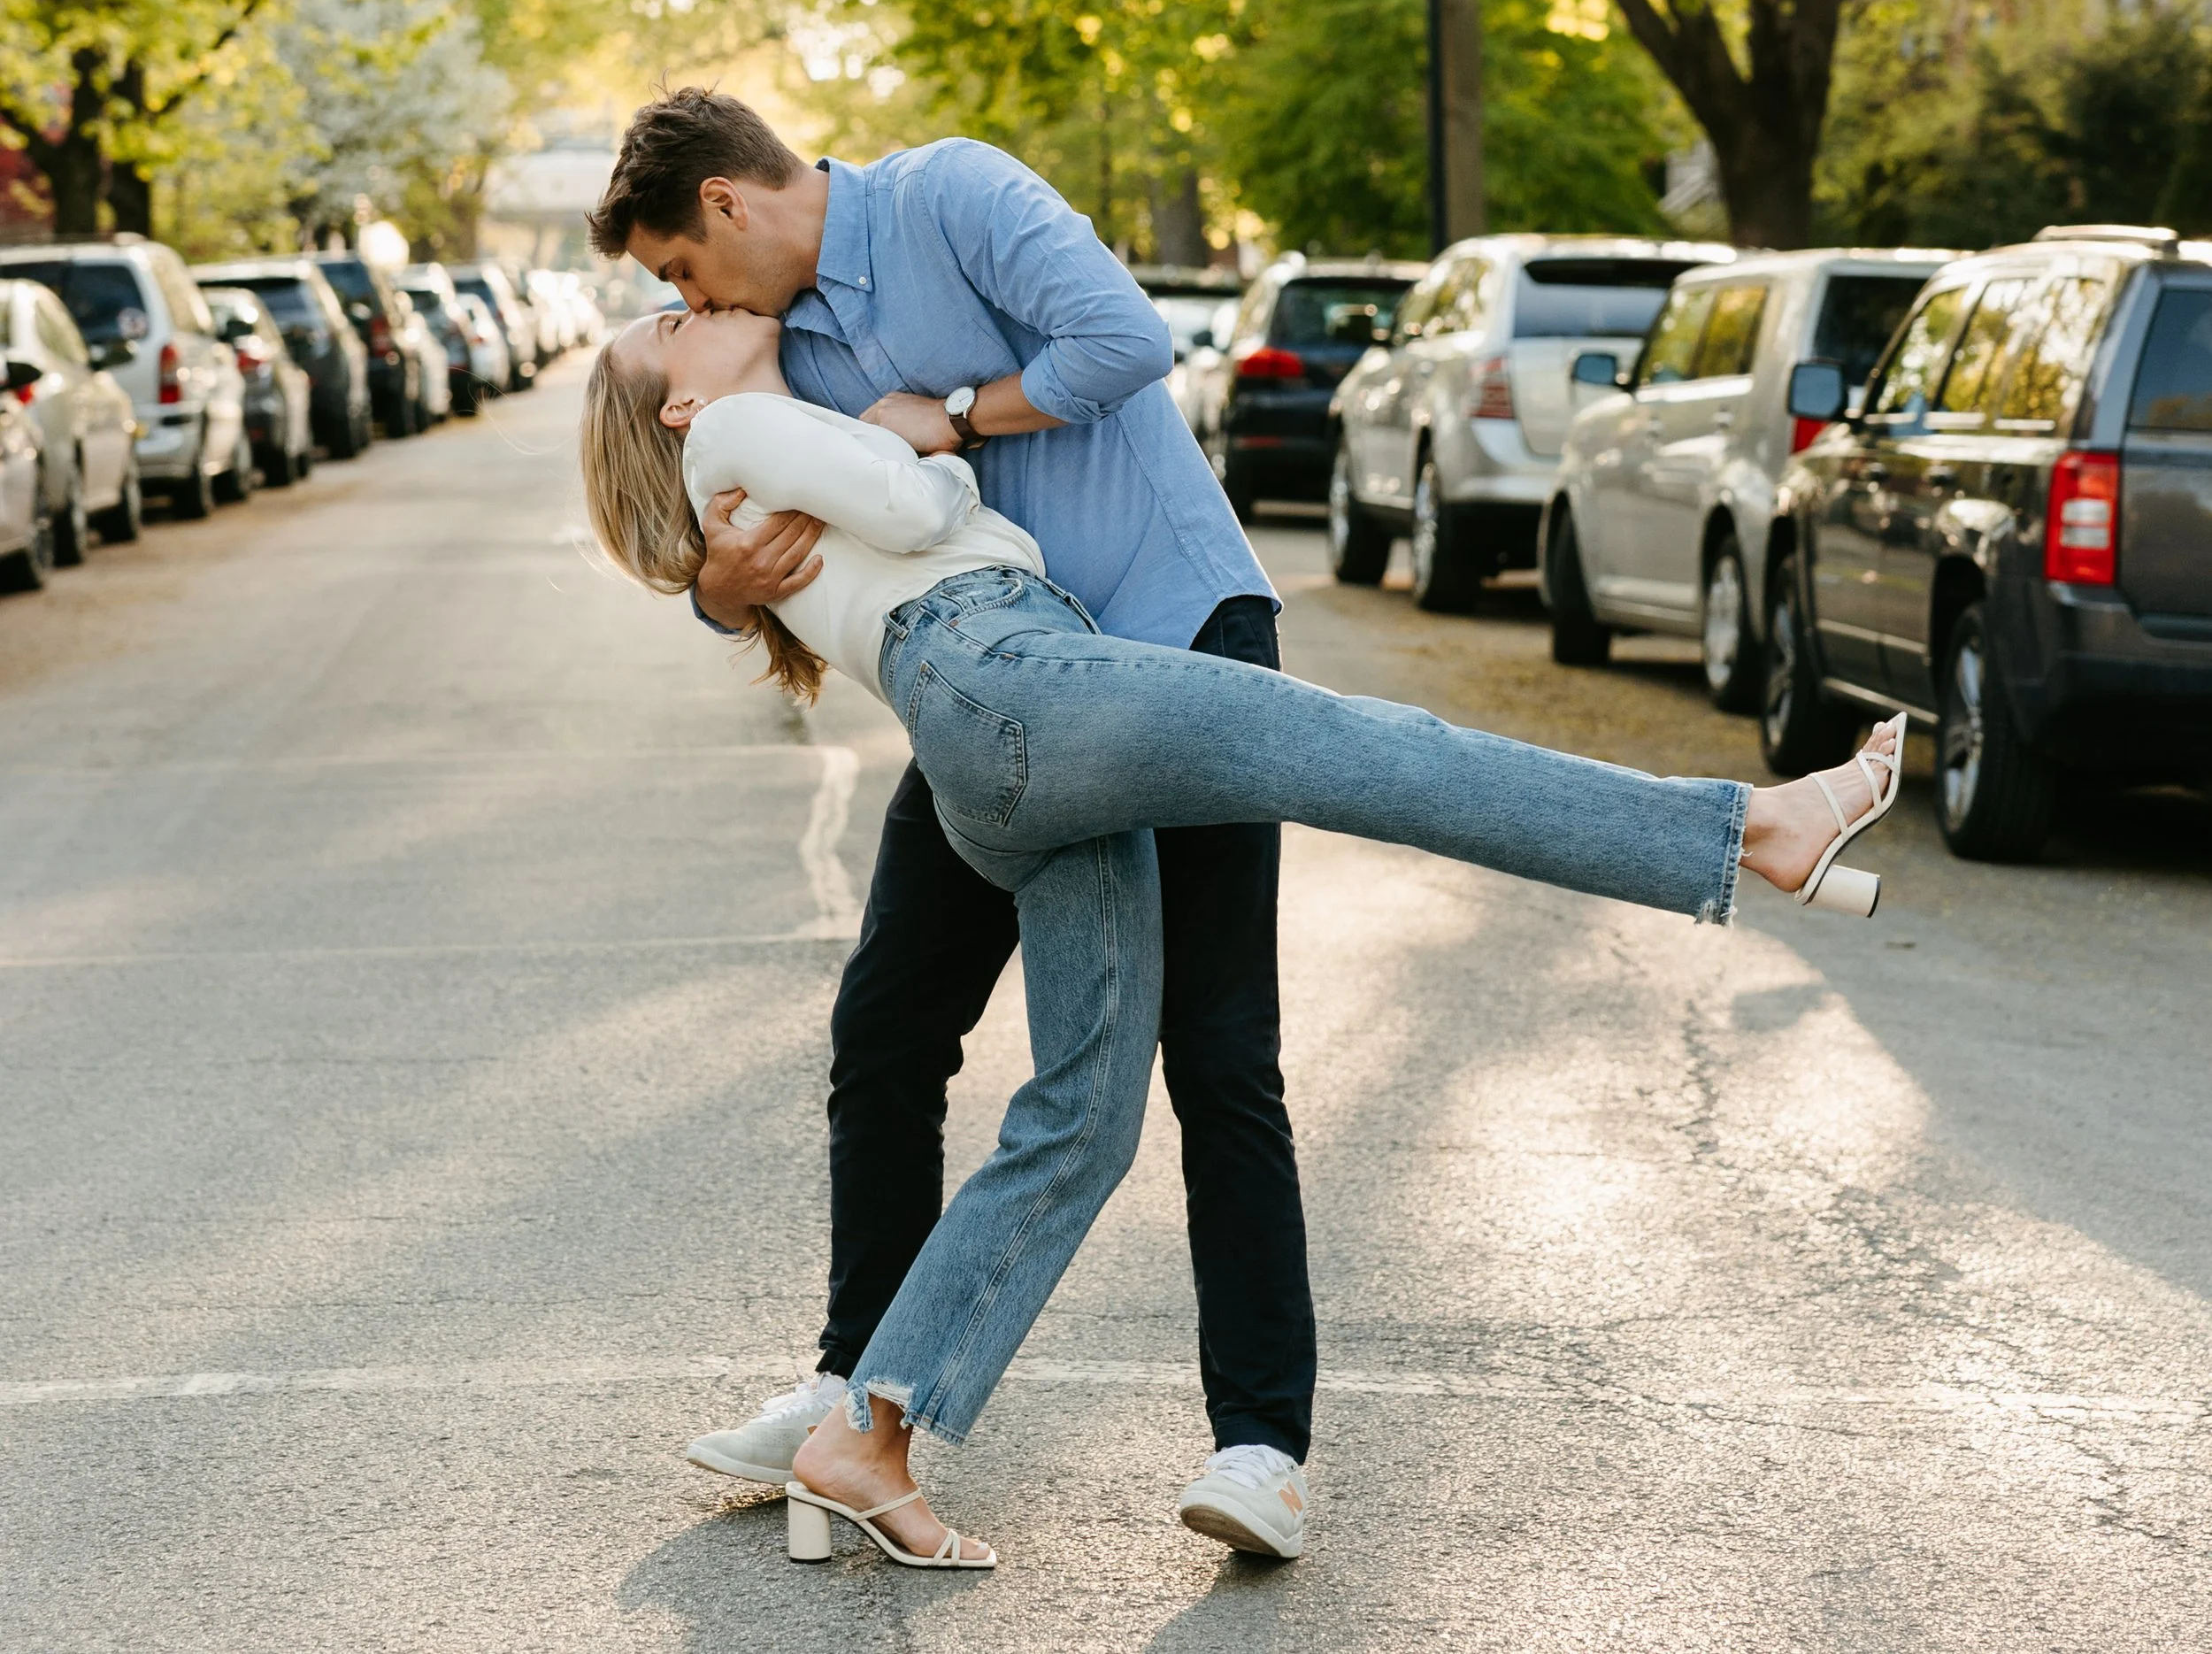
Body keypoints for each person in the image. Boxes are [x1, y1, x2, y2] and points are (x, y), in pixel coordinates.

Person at [580, 294, 1908, 1573]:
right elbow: (920, 500)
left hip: (987, 737)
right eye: (670, 321)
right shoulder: (741, 433)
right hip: (1009, 673)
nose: (686, 302)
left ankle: (870, 1431)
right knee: (1371, 749)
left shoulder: (746, 451)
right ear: (681, 400)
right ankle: (1747, 833)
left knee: (1080, 1121)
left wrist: (779, 532)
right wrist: (912, 429)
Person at [587, 89, 1321, 1561]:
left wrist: (960, 411)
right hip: (1007, 694)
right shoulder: (779, 337)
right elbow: (731, 484)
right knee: (890, 1020)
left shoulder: (953, 196)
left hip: (1178, 637)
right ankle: (852, 1386)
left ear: (728, 205)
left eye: (679, 270)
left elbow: (1123, 343)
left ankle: (1261, 1449)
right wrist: (719, 584)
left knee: (1219, 1044)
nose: (690, 301)